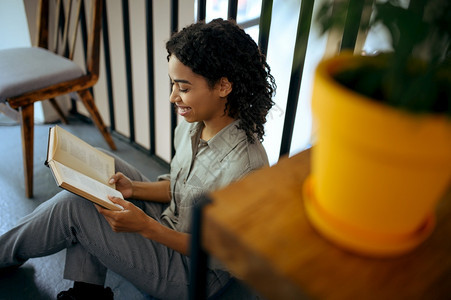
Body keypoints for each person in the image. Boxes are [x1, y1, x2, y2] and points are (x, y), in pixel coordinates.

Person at [0, 18, 276, 299]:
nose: (172, 97)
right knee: (101, 168)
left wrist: (147, 227)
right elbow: (182, 188)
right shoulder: (192, 126)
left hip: (195, 274)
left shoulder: (247, 166)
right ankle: (87, 292)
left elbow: (226, 254)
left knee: (75, 207)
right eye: (173, 84)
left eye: (183, 88)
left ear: (223, 86)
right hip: (170, 222)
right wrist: (134, 189)